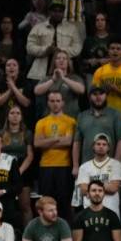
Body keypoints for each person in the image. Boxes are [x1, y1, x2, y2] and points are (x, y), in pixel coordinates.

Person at [34, 91, 76, 222]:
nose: (55, 104)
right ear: (48, 103)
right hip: (46, 166)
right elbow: (37, 143)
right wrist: (58, 139)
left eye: (58, 101)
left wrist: (48, 141)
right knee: (46, 202)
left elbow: (69, 142)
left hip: (64, 165)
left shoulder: (70, 121)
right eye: (52, 101)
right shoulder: (41, 122)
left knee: (64, 201)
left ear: (63, 103)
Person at [25, 1, 82, 83]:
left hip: (65, 72)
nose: (57, 13)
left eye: (60, 11)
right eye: (55, 11)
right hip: (40, 71)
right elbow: (29, 47)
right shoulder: (38, 27)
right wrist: (46, 50)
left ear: (63, 13)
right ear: (49, 12)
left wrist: (61, 51)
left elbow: (77, 47)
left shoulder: (72, 28)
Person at [73, 86, 121, 169]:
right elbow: (77, 142)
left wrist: (116, 161)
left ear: (106, 95)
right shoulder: (82, 116)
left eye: (101, 94)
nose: (98, 97)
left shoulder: (115, 114)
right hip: (87, 165)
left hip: (109, 165)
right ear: (89, 97)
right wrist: (75, 166)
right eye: (95, 94)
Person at [74, 135, 121, 217]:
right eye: (98, 144)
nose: (101, 146)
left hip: (111, 210)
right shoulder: (84, 167)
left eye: (104, 144)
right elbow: (83, 190)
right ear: (93, 146)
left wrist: (91, 187)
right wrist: (105, 185)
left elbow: (113, 188)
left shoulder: (116, 165)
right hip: (90, 212)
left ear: (108, 148)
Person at [0, 105, 34, 225]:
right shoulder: (1, 134)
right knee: (5, 205)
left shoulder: (27, 133)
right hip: (4, 169)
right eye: (12, 113)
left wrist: (18, 171)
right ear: (7, 116)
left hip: (22, 169)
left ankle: (28, 236)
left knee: (25, 205)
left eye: (18, 113)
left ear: (21, 117)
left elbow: (30, 155)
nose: (15, 116)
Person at [33, 50, 85, 119]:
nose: (61, 60)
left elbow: (81, 90)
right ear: (54, 62)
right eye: (58, 58)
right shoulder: (47, 78)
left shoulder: (75, 78)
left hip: (71, 117)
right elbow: (37, 91)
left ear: (68, 62)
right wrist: (52, 80)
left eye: (64, 58)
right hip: (50, 119)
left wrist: (63, 78)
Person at [0, 57, 32, 131]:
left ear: (18, 69)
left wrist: (13, 86)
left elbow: (26, 103)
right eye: (8, 65)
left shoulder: (24, 82)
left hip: (22, 122)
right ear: (5, 69)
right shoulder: (0, 82)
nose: (11, 67)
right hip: (2, 121)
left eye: (14, 65)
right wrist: (10, 90)